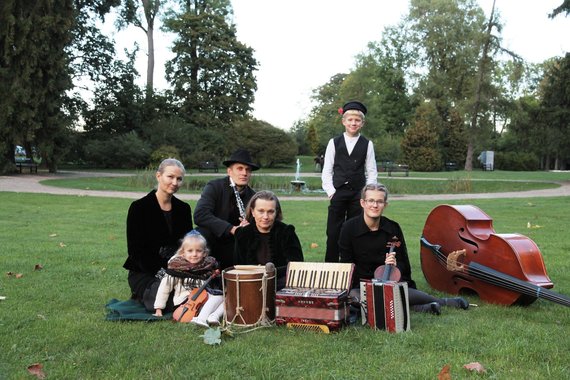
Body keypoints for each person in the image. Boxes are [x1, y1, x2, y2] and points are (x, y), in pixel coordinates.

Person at [339, 183, 469, 318]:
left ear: (385, 205)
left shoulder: (393, 228)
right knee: (356, 297)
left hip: (390, 282)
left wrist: (395, 266)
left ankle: (443, 302)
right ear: (362, 203)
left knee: (399, 291)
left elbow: (404, 264)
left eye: (379, 201)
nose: (375, 205)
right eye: (371, 201)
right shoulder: (349, 228)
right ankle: (421, 307)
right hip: (361, 286)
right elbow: (347, 265)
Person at [123, 158, 193, 311]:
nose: (175, 182)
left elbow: (186, 246)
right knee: (167, 301)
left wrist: (180, 270)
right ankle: (145, 294)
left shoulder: (184, 209)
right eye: (170, 177)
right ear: (158, 176)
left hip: (176, 269)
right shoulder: (138, 208)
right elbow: (136, 251)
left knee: (194, 295)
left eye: (179, 179)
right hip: (145, 271)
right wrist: (162, 274)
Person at [322, 101, 378, 263]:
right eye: (350, 120)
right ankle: (330, 267)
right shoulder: (334, 142)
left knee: (355, 230)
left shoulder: (367, 144)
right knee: (333, 232)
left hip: (357, 193)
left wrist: (366, 194)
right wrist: (331, 191)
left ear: (362, 123)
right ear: (344, 122)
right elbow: (327, 170)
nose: (353, 123)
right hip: (338, 192)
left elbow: (371, 171)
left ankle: (352, 266)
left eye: (357, 120)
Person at [194, 149, 259, 270]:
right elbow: (200, 215)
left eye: (248, 170)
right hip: (211, 240)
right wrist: (232, 229)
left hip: (235, 246)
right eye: (240, 168)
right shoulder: (214, 186)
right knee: (200, 234)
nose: (244, 173)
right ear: (229, 171)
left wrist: (248, 227)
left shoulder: (253, 196)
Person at [234, 190, 304, 290]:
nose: (265, 217)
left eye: (270, 211)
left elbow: (296, 266)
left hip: (281, 286)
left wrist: (269, 274)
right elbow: (238, 267)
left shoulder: (287, 232)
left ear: (276, 213)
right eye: (261, 211)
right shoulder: (243, 234)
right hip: (250, 286)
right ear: (253, 212)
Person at [153, 231, 223, 327]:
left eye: (198, 251)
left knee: (223, 297)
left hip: (203, 298)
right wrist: (158, 308)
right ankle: (202, 318)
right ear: (183, 253)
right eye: (190, 251)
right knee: (217, 299)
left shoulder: (207, 265)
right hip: (185, 302)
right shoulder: (176, 267)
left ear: (204, 253)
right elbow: (164, 288)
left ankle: (213, 316)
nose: (194, 254)